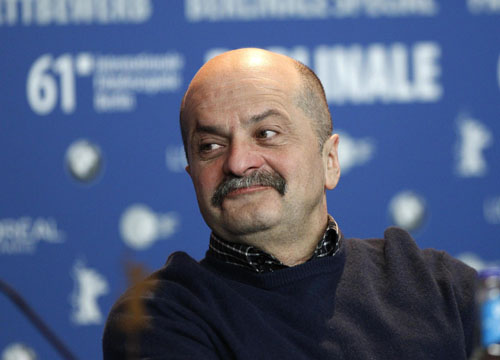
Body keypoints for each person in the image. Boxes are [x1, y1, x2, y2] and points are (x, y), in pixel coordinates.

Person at [103, 48, 477, 359]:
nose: (237, 162)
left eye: (266, 134)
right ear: (192, 175)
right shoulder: (158, 317)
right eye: (210, 146)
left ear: (329, 161)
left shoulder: (438, 285)